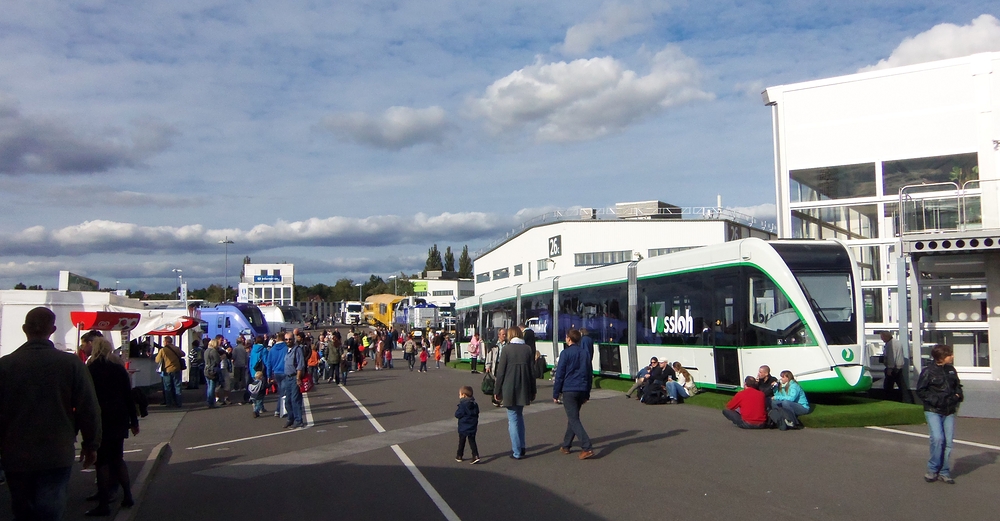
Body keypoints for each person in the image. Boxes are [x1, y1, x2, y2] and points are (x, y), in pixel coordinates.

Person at [0, 307, 102, 521]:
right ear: (52, 329)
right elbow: (88, 407)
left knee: (23, 511)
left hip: (15, 452)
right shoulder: (70, 363)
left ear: (24, 329)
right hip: (56, 450)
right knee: (50, 510)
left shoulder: (6, 365)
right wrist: (91, 444)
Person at [85, 337, 140, 516]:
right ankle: (128, 494)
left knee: (101, 462)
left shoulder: (90, 370)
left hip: (100, 418)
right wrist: (134, 421)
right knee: (118, 458)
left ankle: (104, 503)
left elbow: (86, 398)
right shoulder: (118, 369)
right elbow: (127, 395)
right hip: (119, 416)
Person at [916, 344, 963, 484]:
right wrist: (937, 400)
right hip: (933, 410)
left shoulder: (951, 370)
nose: (952, 356)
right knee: (937, 439)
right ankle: (932, 469)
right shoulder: (928, 371)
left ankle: (944, 471)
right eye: (950, 354)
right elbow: (921, 391)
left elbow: (957, 386)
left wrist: (958, 395)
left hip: (949, 410)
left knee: (948, 442)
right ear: (942, 357)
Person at [494, 327, 536, 460]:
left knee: (512, 419)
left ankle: (516, 451)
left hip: (509, 388)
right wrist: (533, 390)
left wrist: (497, 390)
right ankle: (522, 446)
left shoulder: (506, 349)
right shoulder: (527, 349)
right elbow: (532, 372)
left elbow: (500, 373)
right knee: (519, 416)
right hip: (524, 386)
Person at [552, 329, 594, 460]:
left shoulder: (565, 353)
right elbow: (589, 374)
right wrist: (587, 393)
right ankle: (566, 445)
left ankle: (587, 446)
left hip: (569, 389)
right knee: (573, 417)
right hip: (581, 389)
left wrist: (556, 392)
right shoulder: (585, 354)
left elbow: (560, 375)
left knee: (574, 419)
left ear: (569, 339)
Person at [283, 332, 306, 429]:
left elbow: (300, 365)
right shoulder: (288, 350)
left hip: (294, 377)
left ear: (294, 339)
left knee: (295, 400)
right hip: (287, 378)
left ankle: (298, 420)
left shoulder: (297, 350)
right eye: (286, 339)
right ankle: (290, 418)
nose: (288, 341)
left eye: (290, 339)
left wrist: (298, 378)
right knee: (287, 401)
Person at [154, 337, 184, 408]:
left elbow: (157, 360)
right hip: (176, 369)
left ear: (166, 342)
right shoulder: (176, 348)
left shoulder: (163, 350)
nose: (163, 342)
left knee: (167, 387)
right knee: (177, 386)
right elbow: (183, 354)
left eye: (164, 341)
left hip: (167, 370)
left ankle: (169, 403)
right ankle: (178, 403)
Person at [454, 386, 480, 464]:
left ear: (464, 395)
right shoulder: (475, 404)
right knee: (472, 441)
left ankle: (459, 455)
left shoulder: (463, 405)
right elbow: (477, 413)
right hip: (472, 426)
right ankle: (475, 455)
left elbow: (457, 414)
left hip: (463, 426)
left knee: (462, 441)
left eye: (460, 394)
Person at [881, 331, 905, 401]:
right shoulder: (897, 342)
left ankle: (888, 399)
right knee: (901, 385)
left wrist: (890, 368)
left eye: (882, 337)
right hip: (899, 367)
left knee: (888, 386)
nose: (882, 339)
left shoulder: (890, 344)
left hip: (893, 368)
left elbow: (891, 357)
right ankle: (905, 399)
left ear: (886, 336)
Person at [203, 339, 222, 408]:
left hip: (206, 370)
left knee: (209, 386)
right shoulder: (213, 351)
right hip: (212, 370)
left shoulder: (206, 351)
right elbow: (217, 361)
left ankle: (209, 401)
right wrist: (221, 358)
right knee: (212, 387)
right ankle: (211, 402)